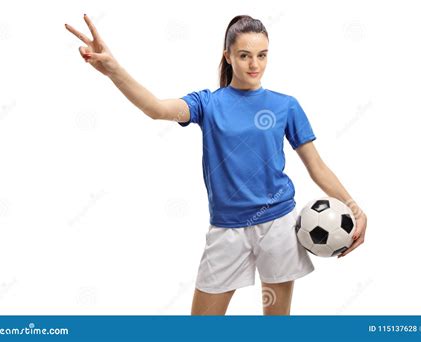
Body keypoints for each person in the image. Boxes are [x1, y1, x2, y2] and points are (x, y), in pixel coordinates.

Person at [65, 14, 368, 316]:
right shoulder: (208, 103)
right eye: (245, 56)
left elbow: (316, 166)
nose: (255, 65)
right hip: (227, 229)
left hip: (278, 225)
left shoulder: (285, 105)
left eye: (262, 56)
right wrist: (114, 70)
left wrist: (353, 207)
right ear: (228, 56)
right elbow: (156, 109)